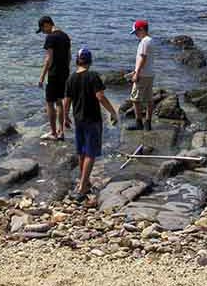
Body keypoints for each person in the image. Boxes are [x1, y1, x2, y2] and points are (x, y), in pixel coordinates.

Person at [64, 48, 117, 200]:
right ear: (90, 61)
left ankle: (84, 181)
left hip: (78, 119)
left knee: (82, 151)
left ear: (77, 61)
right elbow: (100, 97)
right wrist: (112, 112)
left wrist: (65, 117)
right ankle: (82, 188)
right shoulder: (93, 76)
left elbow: (66, 100)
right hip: (92, 119)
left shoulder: (71, 78)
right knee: (91, 153)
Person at [37, 15, 71, 140]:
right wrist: (66, 71)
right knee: (60, 103)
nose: (43, 32)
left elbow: (49, 59)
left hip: (54, 74)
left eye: (43, 29)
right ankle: (61, 132)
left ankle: (53, 133)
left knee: (50, 103)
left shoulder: (50, 37)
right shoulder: (65, 36)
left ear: (47, 24)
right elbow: (69, 57)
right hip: (64, 73)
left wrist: (42, 76)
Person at [127, 19, 154, 131]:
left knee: (135, 99)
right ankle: (148, 123)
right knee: (148, 99)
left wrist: (136, 73)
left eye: (136, 32)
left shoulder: (144, 42)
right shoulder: (151, 40)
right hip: (150, 73)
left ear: (142, 29)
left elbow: (143, 58)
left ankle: (139, 123)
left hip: (142, 74)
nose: (136, 35)